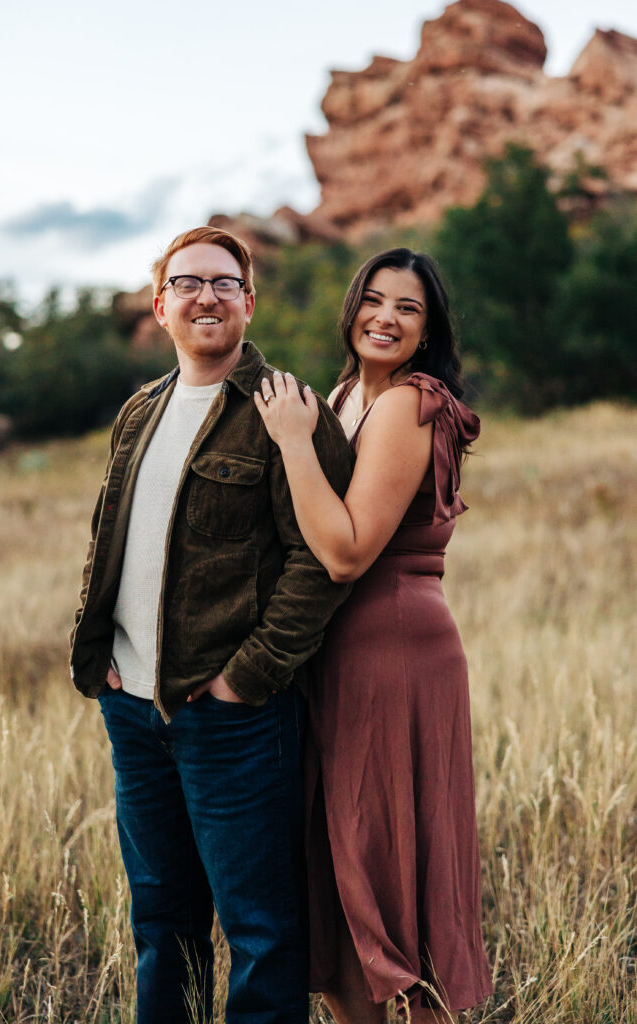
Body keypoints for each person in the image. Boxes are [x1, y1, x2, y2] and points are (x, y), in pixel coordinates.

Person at [69, 226, 353, 1024]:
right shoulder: (140, 411)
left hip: (232, 721)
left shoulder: (285, 411)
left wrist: (248, 676)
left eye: (225, 283)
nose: (207, 296)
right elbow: (108, 539)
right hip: (136, 712)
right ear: (161, 307)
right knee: (162, 926)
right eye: (188, 283)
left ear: (248, 303)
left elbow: (320, 563)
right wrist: (105, 663)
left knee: (261, 932)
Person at [255, 247, 493, 1023]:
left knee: (388, 860)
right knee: (337, 862)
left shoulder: (405, 405)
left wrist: (293, 440)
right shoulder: (347, 394)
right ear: (352, 306)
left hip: (392, 648)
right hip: (335, 652)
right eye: (375, 300)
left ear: (427, 332)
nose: (386, 318)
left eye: (408, 308)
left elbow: (348, 548)